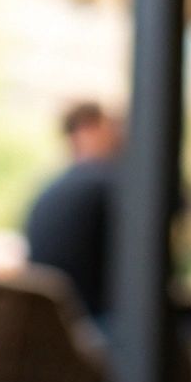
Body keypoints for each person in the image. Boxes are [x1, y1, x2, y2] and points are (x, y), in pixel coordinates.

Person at [24, 100, 122, 329]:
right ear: (88, 129)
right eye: (110, 126)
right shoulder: (107, 183)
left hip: (53, 328)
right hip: (94, 327)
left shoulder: (49, 188)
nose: (118, 135)